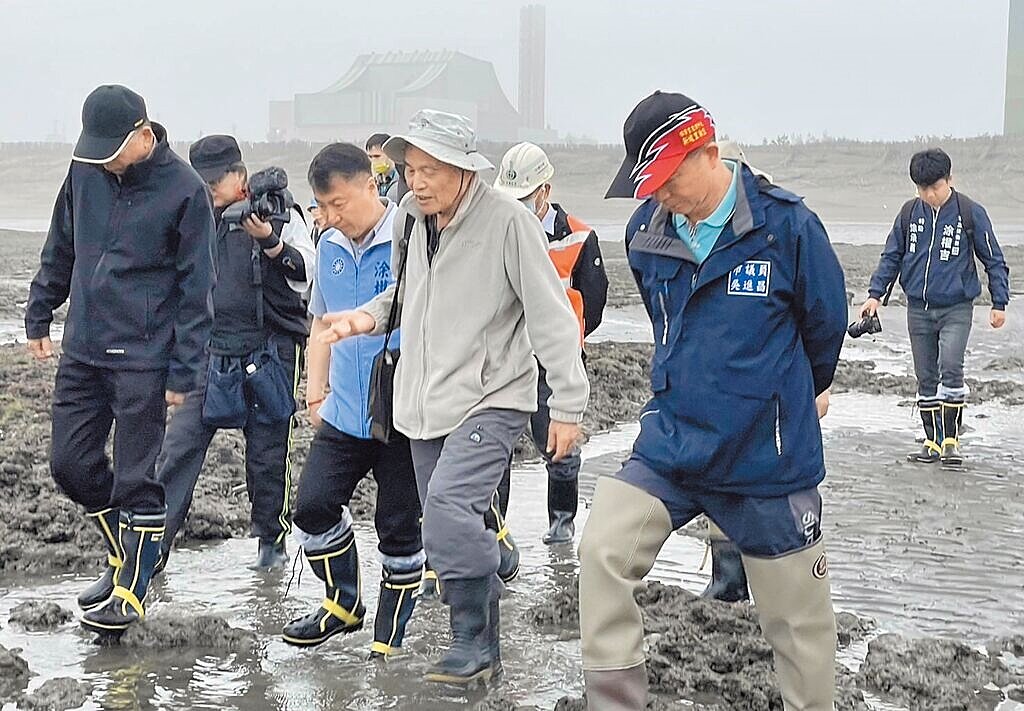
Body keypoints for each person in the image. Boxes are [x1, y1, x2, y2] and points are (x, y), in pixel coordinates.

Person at [579, 91, 847, 710]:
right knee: (602, 551)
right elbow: (667, 324)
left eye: (665, 179)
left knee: (800, 628)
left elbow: (823, 327)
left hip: (765, 461)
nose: (657, 197)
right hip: (673, 446)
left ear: (703, 150)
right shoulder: (645, 233)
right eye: (647, 186)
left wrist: (780, 400)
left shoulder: (787, 227)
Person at [318, 109, 589, 684]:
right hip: (423, 401)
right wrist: (362, 320)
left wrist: (567, 404)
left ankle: (469, 639)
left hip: (492, 397)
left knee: (445, 509)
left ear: (465, 169)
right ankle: (486, 645)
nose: (414, 182)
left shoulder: (508, 223)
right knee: (443, 524)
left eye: (429, 170)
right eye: (409, 169)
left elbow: (551, 314)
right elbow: (401, 291)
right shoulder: (411, 222)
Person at [24, 85, 216, 633]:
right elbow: (61, 243)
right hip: (84, 348)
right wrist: (41, 309)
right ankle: (126, 554)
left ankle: (131, 591)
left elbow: (197, 287)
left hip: (145, 357)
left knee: (137, 478)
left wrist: (184, 370)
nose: (102, 158)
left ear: (144, 134)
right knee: (70, 464)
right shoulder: (85, 171)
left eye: (111, 148)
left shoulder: (185, 190)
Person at [280, 143, 424, 660]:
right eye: (324, 207)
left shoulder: (411, 242)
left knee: (398, 526)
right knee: (312, 506)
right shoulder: (329, 246)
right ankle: (343, 600)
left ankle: (391, 637)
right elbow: (320, 320)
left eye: (340, 203)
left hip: (403, 411)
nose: (333, 216)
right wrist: (314, 393)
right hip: (343, 409)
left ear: (371, 185)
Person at [155, 134, 314, 572]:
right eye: (200, 181)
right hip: (207, 349)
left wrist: (269, 241)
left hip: (271, 349)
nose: (207, 188)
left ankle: (270, 543)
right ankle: (153, 548)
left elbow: (307, 273)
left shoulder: (279, 214)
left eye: (215, 181)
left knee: (268, 453)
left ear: (240, 176)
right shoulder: (190, 216)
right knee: (179, 447)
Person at [859, 148, 1009, 467]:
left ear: (949, 180)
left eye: (934, 187)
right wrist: (875, 294)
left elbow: (993, 259)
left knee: (951, 368)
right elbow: (891, 257)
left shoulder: (970, 212)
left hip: (957, 307)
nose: (929, 195)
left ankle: (952, 441)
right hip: (918, 308)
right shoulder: (908, 213)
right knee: (925, 376)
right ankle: (932, 441)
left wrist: (999, 302)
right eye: (922, 189)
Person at [493, 141, 609, 544]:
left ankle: (561, 520)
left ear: (545, 190)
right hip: (506, 357)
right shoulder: (498, 228)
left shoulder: (578, 237)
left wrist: (569, 343)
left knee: (557, 442)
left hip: (551, 360)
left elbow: (593, 303)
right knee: (495, 446)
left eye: (525, 197)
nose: (518, 206)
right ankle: (496, 528)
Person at [366, 132, 409, 203]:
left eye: (377, 156)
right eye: (370, 157)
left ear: (390, 154)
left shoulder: (402, 181)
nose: (373, 161)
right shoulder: (374, 182)